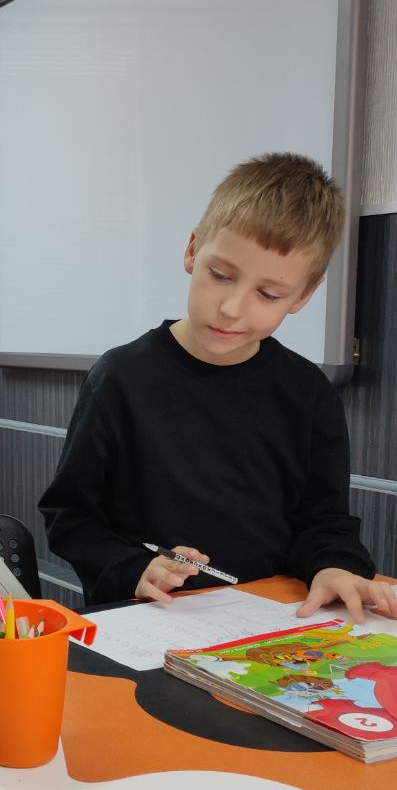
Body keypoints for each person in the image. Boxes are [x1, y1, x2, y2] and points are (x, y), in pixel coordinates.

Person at [39, 152, 395, 622]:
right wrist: (132, 567)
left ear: (305, 295)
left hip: (269, 626)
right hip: (147, 621)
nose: (231, 308)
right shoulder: (120, 378)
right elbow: (71, 518)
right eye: (221, 275)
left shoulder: (309, 394)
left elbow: (325, 521)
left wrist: (334, 565)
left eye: (268, 294)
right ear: (193, 251)